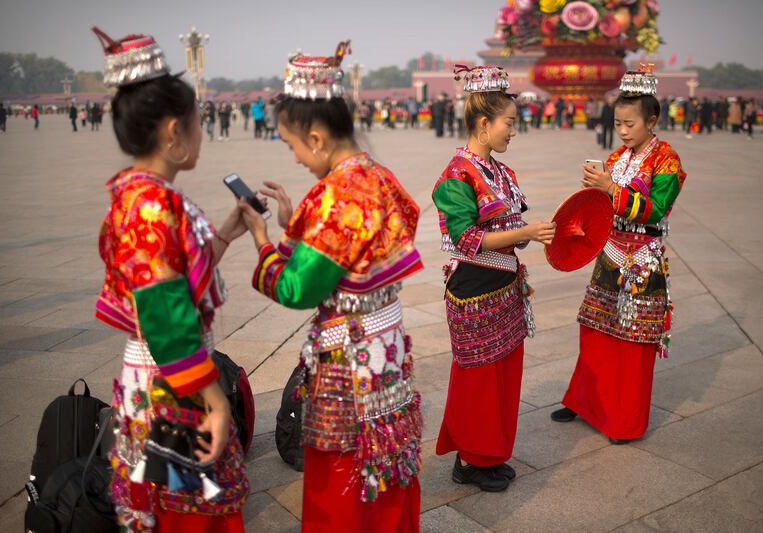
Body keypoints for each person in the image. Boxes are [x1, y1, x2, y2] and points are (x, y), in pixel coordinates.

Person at [239, 41, 423, 533]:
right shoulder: (378, 177)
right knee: (384, 457)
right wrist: (297, 224)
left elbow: (298, 289)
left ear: (317, 138)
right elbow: (360, 253)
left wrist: (262, 242)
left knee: (344, 471)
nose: (297, 158)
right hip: (385, 346)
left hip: (348, 359)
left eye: (293, 146)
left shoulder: (335, 195)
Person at [90, 27, 249, 531]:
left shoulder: (137, 195)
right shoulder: (153, 205)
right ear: (174, 132)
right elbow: (164, 312)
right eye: (199, 121)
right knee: (191, 512)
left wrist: (224, 233)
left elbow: (174, 283)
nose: (202, 131)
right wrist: (215, 397)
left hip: (168, 376)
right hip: (174, 385)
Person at [433, 65, 555, 492]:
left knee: (502, 376)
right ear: (483, 124)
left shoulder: (501, 172)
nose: (513, 132)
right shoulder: (455, 175)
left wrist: (535, 233)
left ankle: (490, 453)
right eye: (509, 123)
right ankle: (469, 458)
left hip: (504, 286)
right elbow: (466, 239)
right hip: (473, 289)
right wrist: (525, 233)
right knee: (478, 379)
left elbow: (511, 230)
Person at [552, 64, 687, 445]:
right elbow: (601, 207)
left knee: (633, 340)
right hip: (610, 254)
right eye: (618, 123)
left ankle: (624, 420)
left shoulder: (667, 160)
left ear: (652, 120)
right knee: (594, 329)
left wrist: (610, 188)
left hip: (642, 259)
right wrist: (590, 199)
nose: (623, 130)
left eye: (630, 124)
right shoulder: (616, 158)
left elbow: (656, 207)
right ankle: (584, 402)